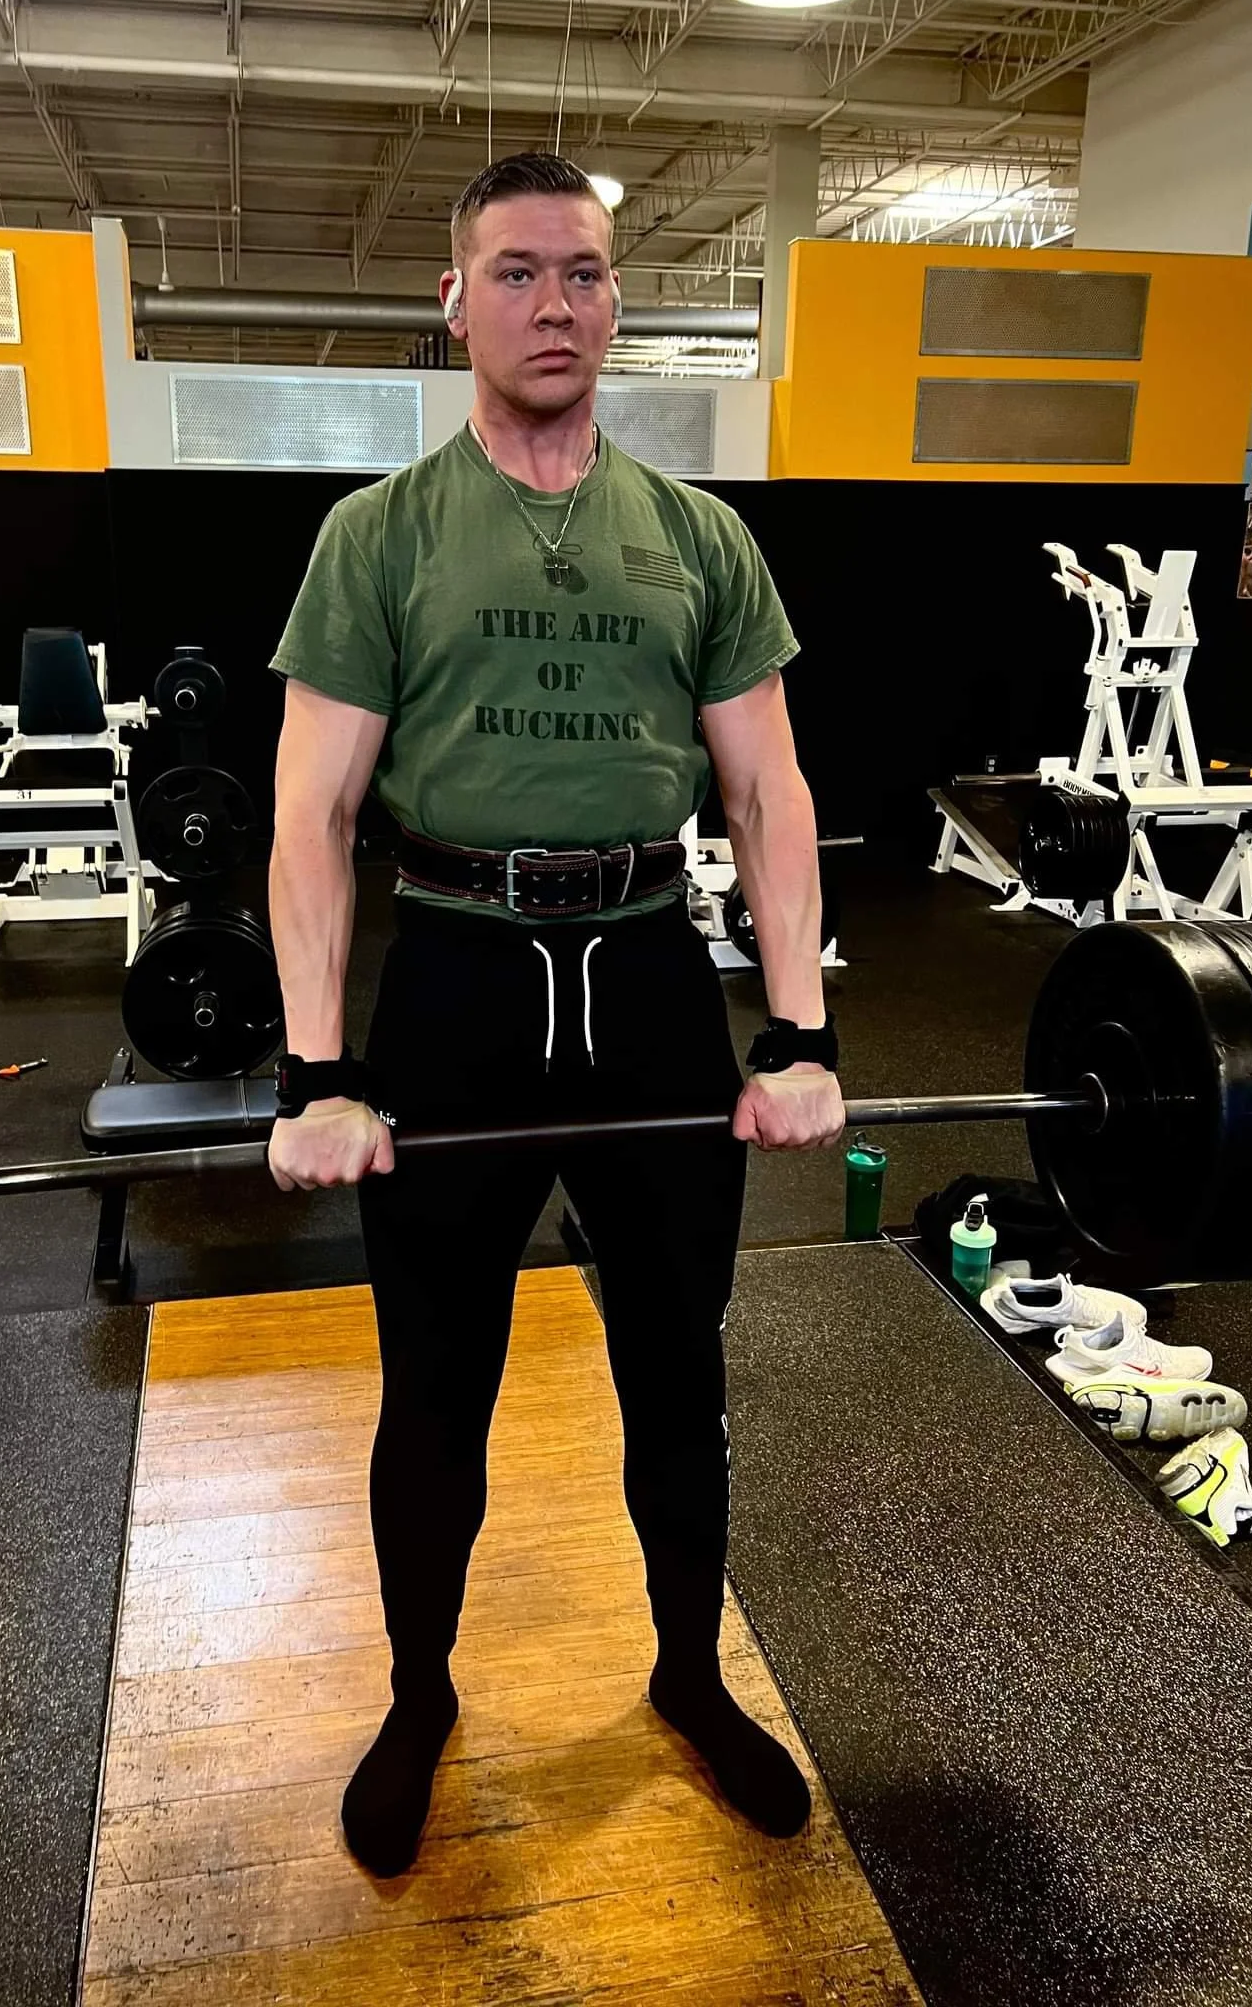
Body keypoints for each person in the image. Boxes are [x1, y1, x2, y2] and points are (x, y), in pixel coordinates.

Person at [266, 151, 844, 1880]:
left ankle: (687, 1676)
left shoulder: (699, 536)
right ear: (454, 301)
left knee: (683, 1372)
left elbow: (773, 795)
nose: (556, 306)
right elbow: (309, 815)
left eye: (585, 275)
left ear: (617, 299)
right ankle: (421, 1697)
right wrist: (318, 1070)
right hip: (455, 981)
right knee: (434, 1386)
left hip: (653, 978)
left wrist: (800, 1034)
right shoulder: (376, 536)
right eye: (516, 274)